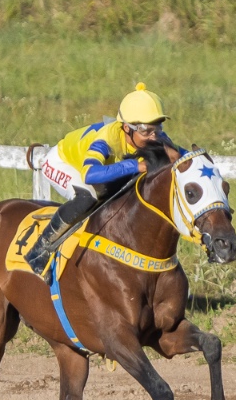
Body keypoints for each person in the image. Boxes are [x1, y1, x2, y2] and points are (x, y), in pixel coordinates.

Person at [25, 83, 185, 276]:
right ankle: (40, 250)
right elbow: (90, 175)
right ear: (127, 128)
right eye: (146, 131)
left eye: (157, 128)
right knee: (88, 197)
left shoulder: (154, 135)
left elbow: (183, 156)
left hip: (95, 168)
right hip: (62, 162)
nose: (153, 137)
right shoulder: (106, 140)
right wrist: (136, 166)